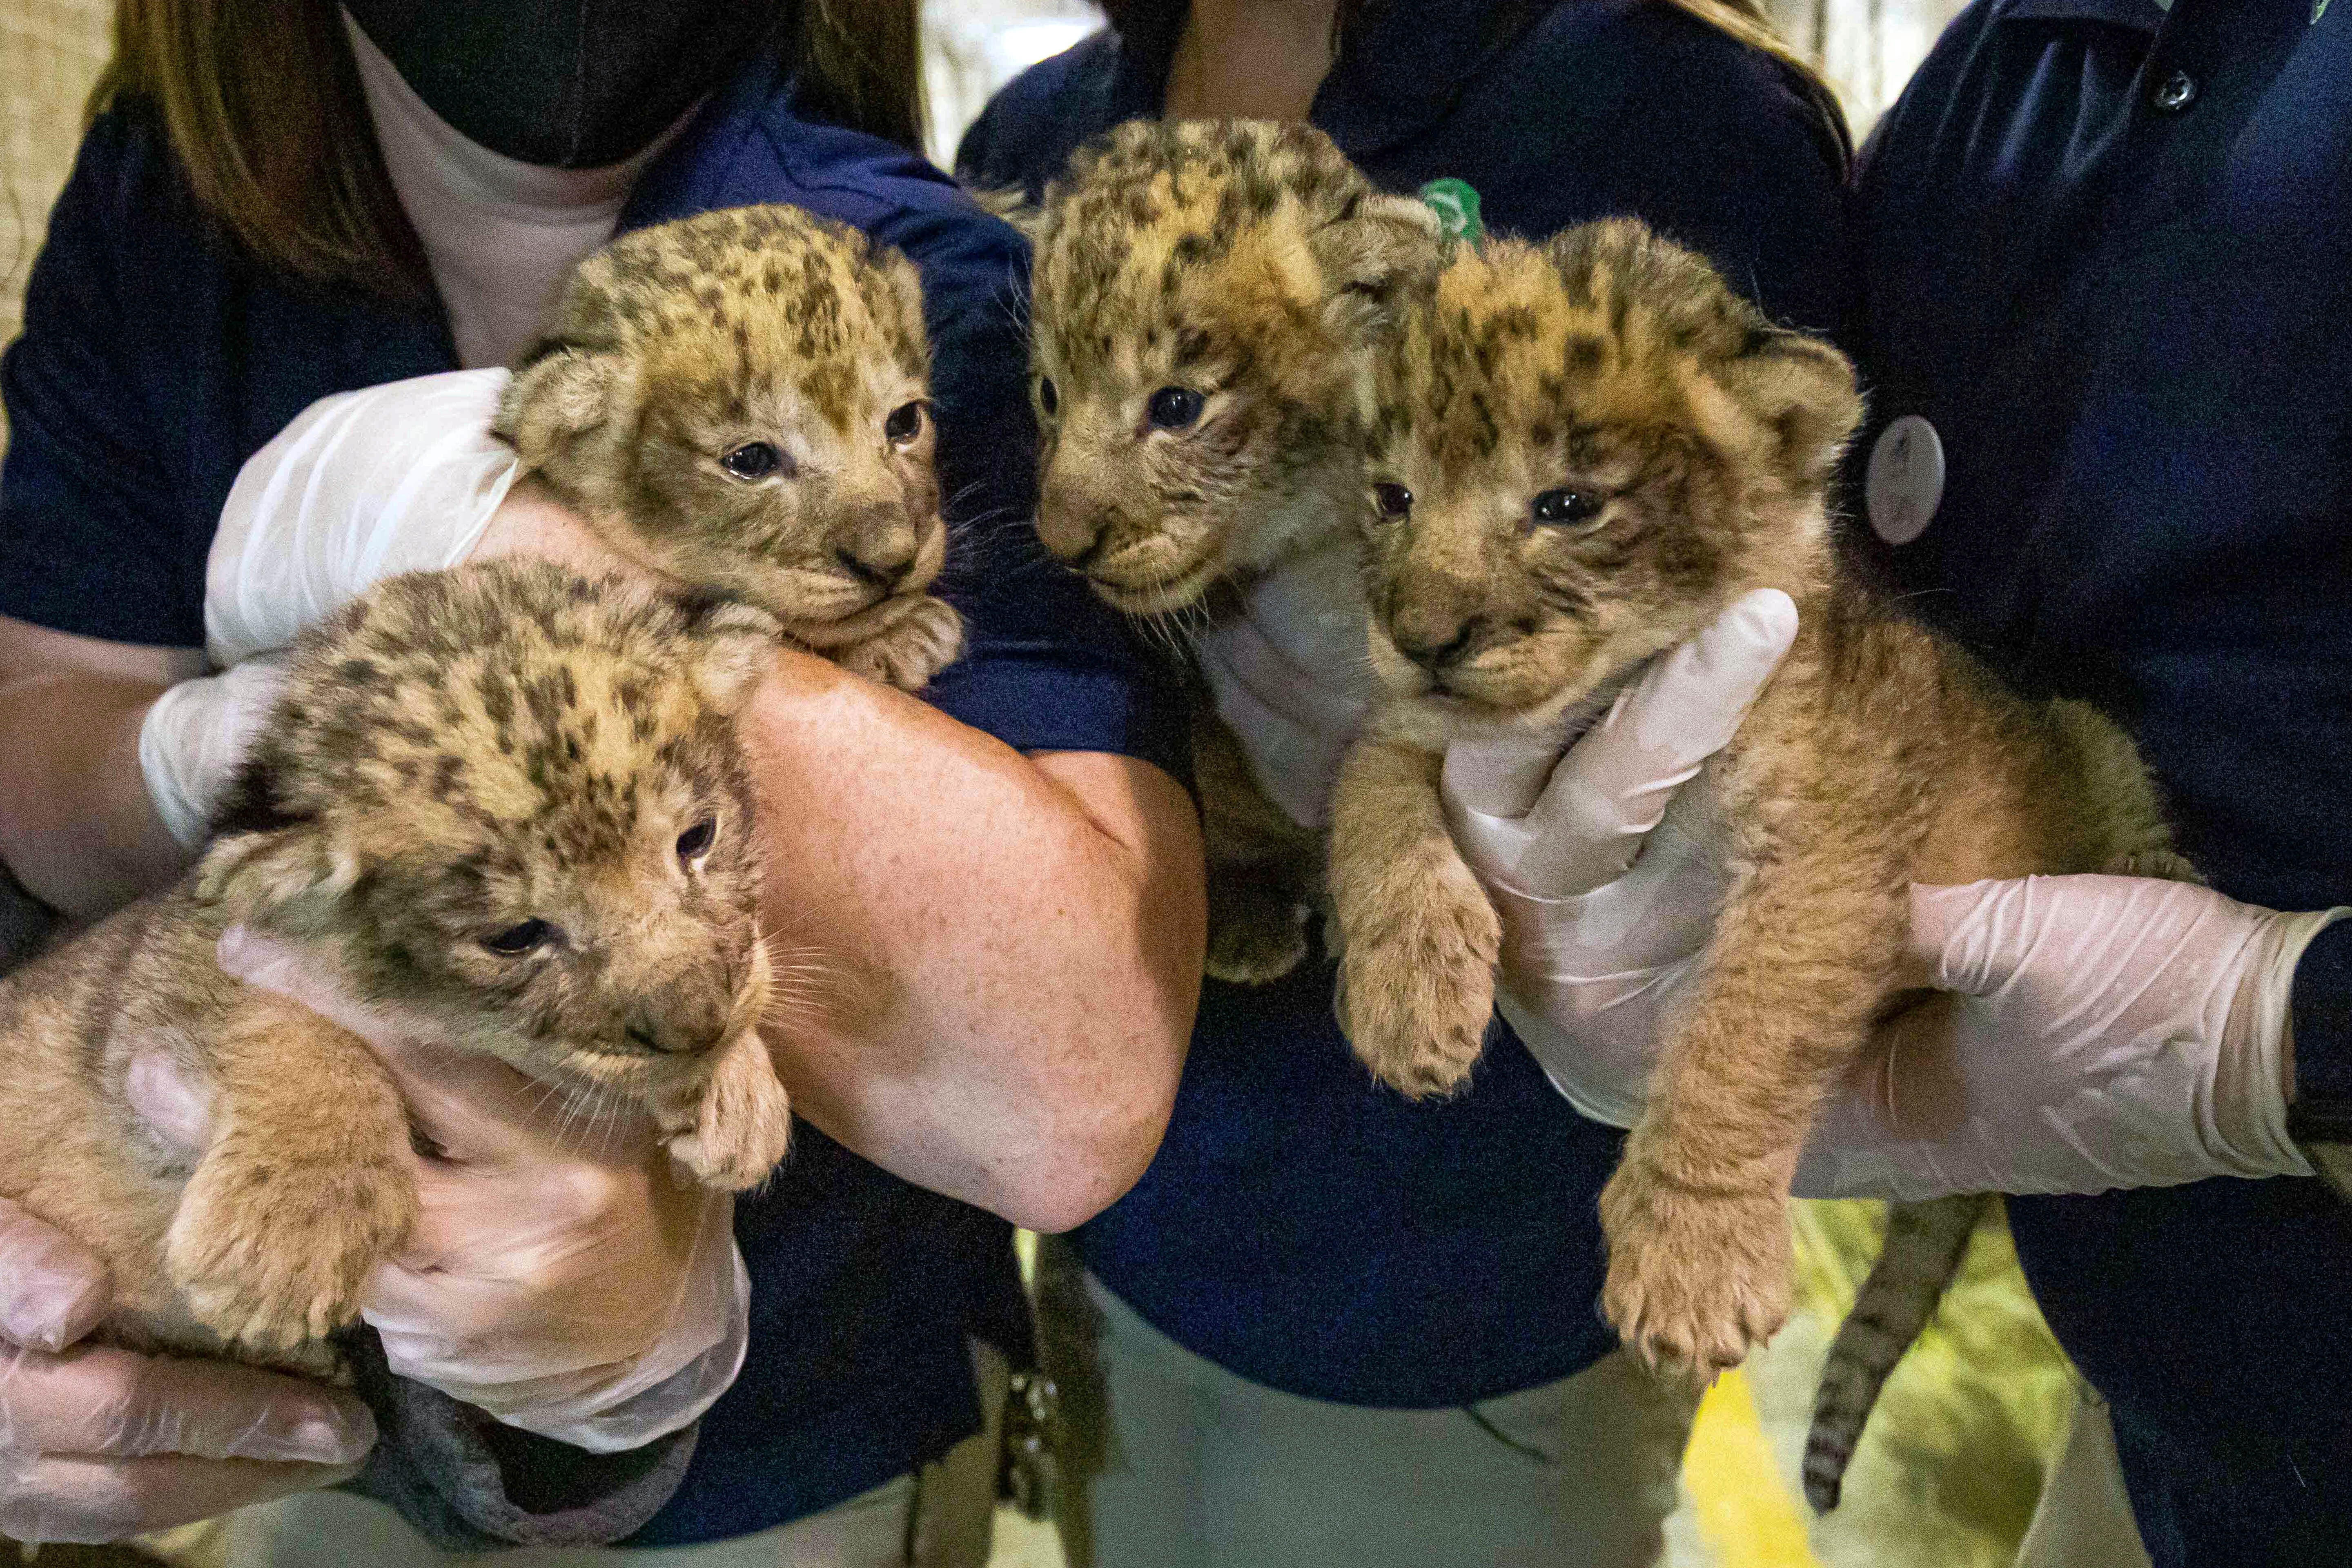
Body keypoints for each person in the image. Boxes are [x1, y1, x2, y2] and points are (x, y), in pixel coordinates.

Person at [0, 0, 1203, 1560]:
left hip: (785, 1445)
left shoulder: (896, 258)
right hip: (302, 1454)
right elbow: (42, 731)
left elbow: (1075, 1086)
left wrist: (515, 536)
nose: (886, 537)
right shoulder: (172, 194)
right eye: (752, 459)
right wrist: (205, 761)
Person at [957, 2, 1854, 1563]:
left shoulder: (1672, 116)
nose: (1071, 515)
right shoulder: (1046, 132)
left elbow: (1798, 711)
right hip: (1130, 1220)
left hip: (1463, 1287)